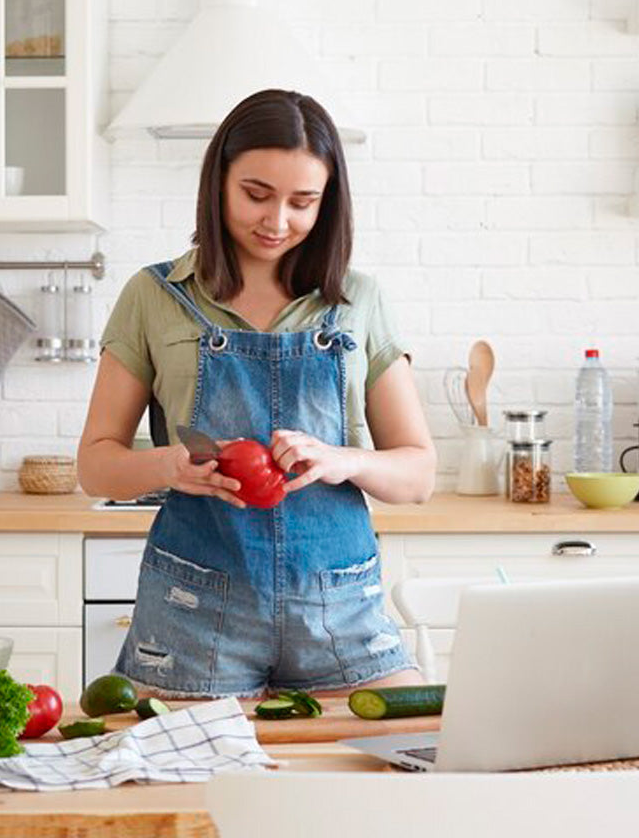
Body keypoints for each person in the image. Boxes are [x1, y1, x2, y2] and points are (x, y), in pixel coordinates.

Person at [77, 89, 435, 699]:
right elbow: (95, 464)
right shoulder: (154, 296)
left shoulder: (359, 301)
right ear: (218, 183)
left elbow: (418, 474)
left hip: (339, 608)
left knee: (392, 770)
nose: (277, 222)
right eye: (256, 195)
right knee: (183, 788)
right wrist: (169, 465)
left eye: (303, 202)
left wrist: (340, 458)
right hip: (192, 609)